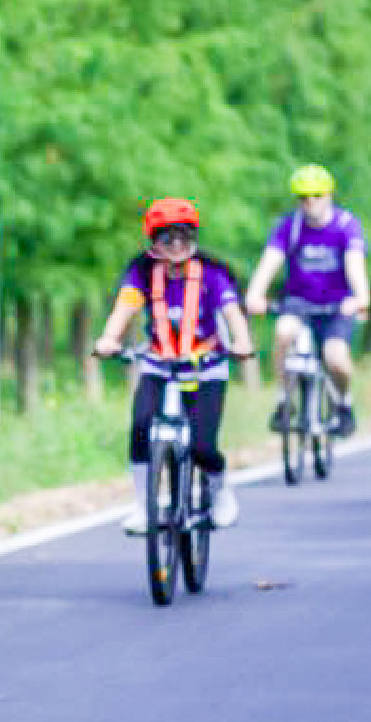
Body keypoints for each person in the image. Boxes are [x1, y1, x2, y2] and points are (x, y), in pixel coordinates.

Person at [92, 196, 256, 533]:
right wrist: (109, 340)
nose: (177, 245)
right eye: (167, 238)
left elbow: (232, 313)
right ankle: (142, 506)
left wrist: (242, 343)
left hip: (205, 367)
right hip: (159, 366)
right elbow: (124, 309)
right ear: (153, 243)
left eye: (184, 236)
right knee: (140, 426)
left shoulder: (213, 273)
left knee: (202, 446)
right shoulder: (141, 272)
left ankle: (220, 493)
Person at [247, 163, 370, 437]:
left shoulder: (345, 225)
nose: (310, 202)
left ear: (329, 195)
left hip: (338, 305)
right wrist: (255, 293)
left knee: (335, 357)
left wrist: (361, 297)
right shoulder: (289, 227)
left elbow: (355, 266)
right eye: (304, 197)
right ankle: (283, 401)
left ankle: (344, 404)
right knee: (283, 332)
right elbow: (269, 263)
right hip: (299, 303)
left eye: (317, 195)